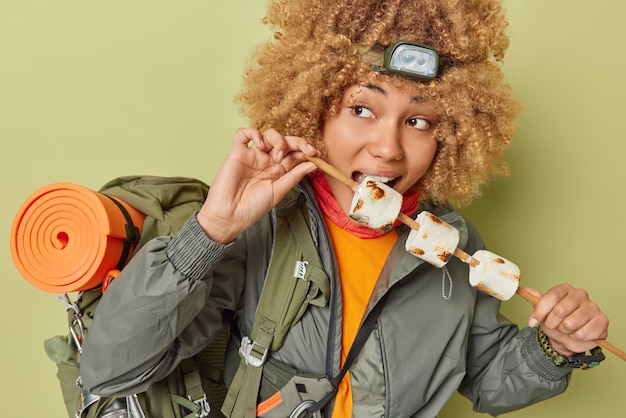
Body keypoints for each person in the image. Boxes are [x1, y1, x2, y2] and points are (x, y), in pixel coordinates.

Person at [80, 0, 610, 417]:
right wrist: (211, 231)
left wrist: (553, 347)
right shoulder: (262, 224)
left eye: (419, 121)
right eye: (362, 109)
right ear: (315, 111)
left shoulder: (454, 244)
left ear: (450, 133)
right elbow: (110, 368)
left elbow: (487, 378)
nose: (388, 148)